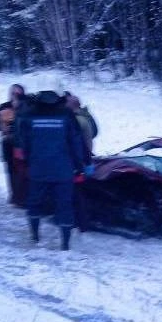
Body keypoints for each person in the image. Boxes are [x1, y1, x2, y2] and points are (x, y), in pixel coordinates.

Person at [15, 90, 85, 251]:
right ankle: (65, 243)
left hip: (38, 167)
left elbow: (23, 141)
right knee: (64, 204)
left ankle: (35, 235)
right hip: (63, 169)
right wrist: (79, 166)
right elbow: (75, 142)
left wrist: (28, 159)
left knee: (34, 201)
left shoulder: (29, 114)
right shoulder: (66, 114)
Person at [64, 92, 98, 231]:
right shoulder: (85, 117)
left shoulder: (76, 121)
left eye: (66, 103)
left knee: (74, 193)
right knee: (79, 192)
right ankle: (82, 222)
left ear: (72, 105)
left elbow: (74, 143)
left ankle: (77, 222)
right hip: (85, 159)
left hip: (77, 161)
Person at [0, 84, 27, 207]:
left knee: (23, 170)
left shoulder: (27, 107)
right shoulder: (3, 107)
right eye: (13, 93)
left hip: (22, 144)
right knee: (11, 170)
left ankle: (23, 196)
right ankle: (15, 196)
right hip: (7, 144)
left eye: (18, 94)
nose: (15, 96)